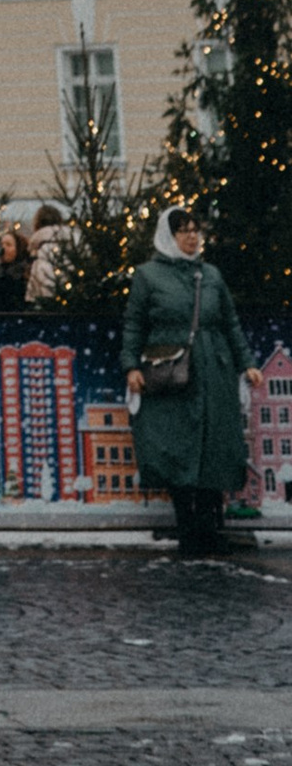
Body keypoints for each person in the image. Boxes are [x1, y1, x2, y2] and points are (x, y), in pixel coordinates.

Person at [124, 203, 254, 558]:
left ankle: (212, 529)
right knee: (177, 446)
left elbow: (230, 322)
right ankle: (189, 529)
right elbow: (135, 325)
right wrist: (131, 366)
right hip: (172, 373)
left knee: (214, 446)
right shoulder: (148, 276)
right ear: (169, 235)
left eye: (196, 230)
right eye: (184, 230)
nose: (192, 236)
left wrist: (247, 362)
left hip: (214, 369)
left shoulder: (210, 275)